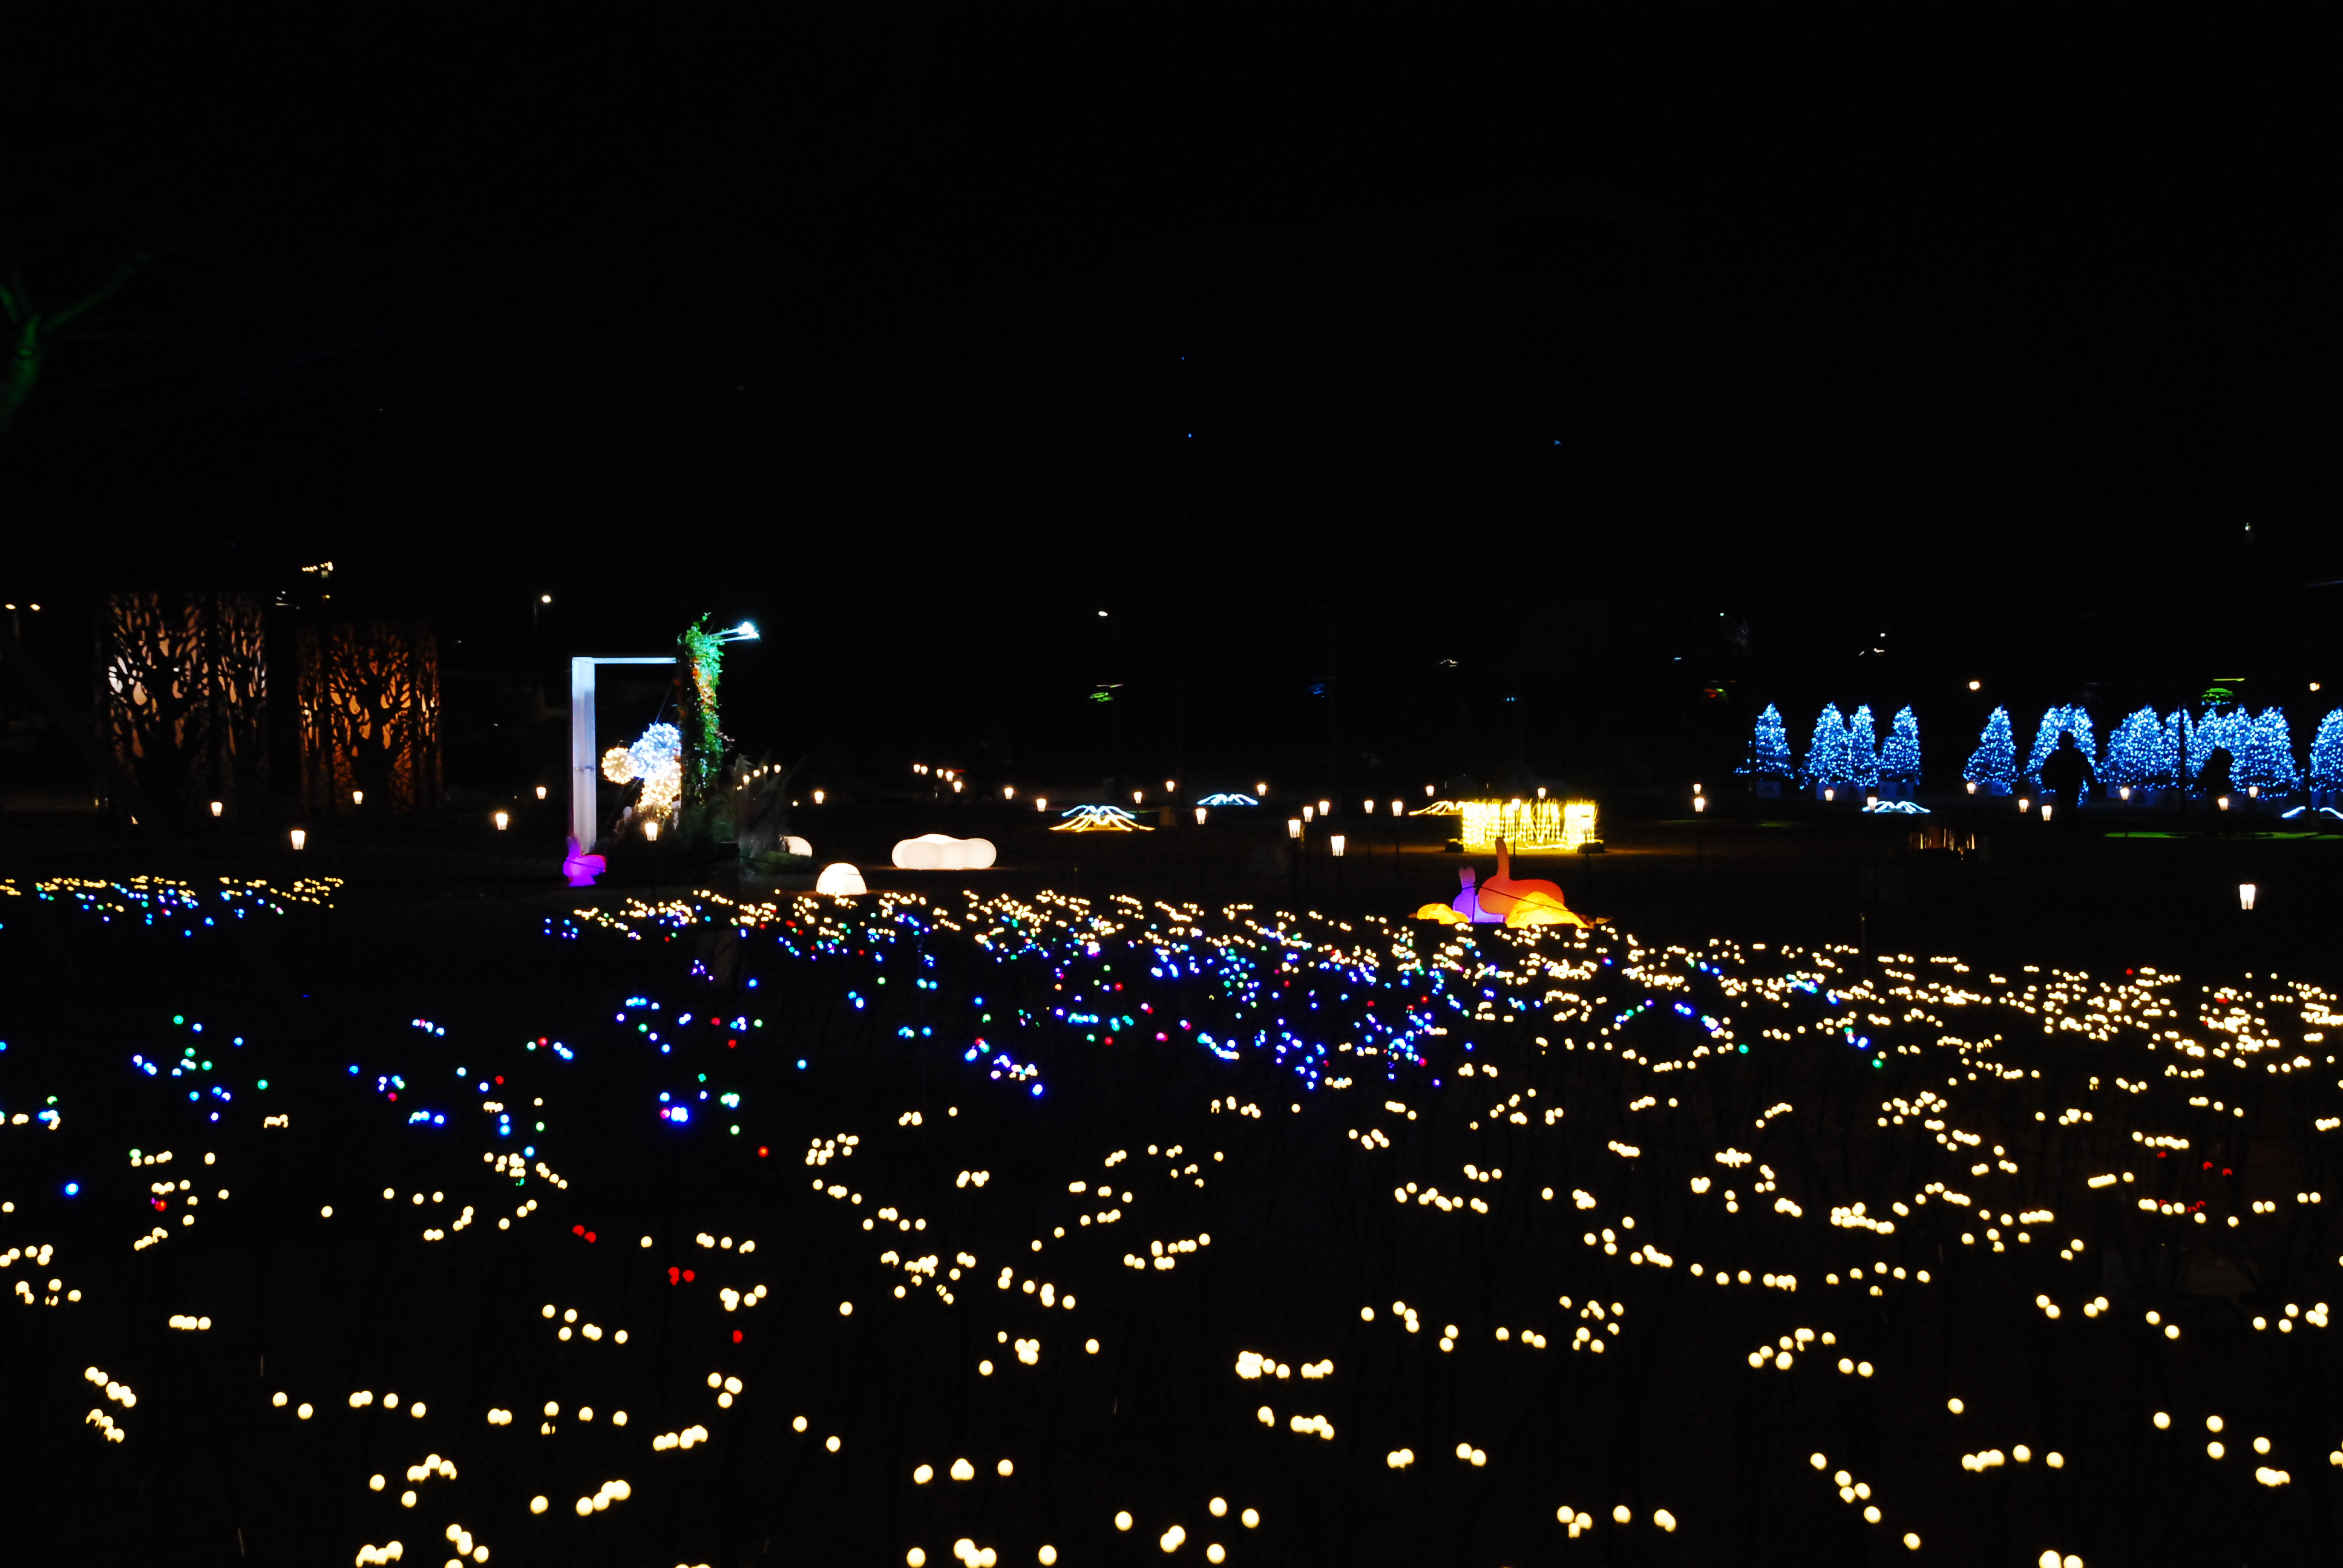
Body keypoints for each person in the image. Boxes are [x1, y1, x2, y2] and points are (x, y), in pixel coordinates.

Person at [2037, 731, 2096, 820]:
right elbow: (2088, 770)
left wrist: (2047, 783)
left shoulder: (2057, 755)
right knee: (2069, 807)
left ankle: (2065, 826)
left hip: (2063, 785)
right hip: (2069, 785)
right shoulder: (2076, 755)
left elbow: (2045, 770)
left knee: (2064, 807)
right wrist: (2092, 783)